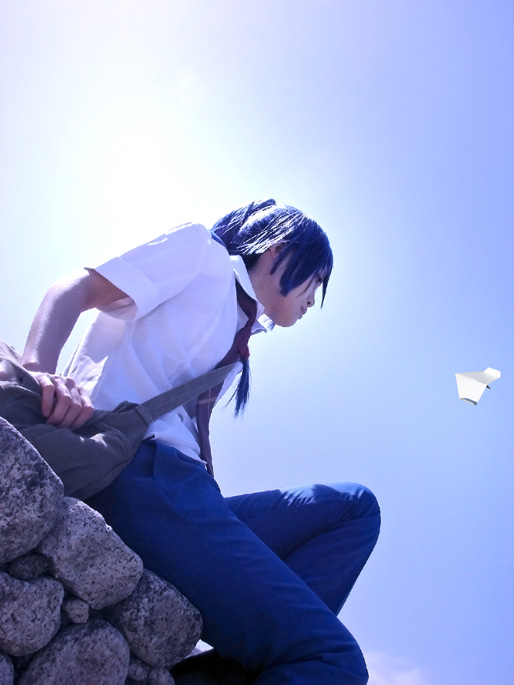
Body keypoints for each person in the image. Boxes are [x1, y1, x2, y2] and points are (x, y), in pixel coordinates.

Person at [21, 199, 381, 684]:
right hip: (139, 473)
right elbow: (77, 287)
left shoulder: (240, 330)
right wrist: (38, 373)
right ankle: (285, 655)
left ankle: (239, 663)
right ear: (277, 250)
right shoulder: (202, 256)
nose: (313, 300)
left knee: (355, 508)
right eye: (315, 281)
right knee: (334, 658)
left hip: (187, 496)